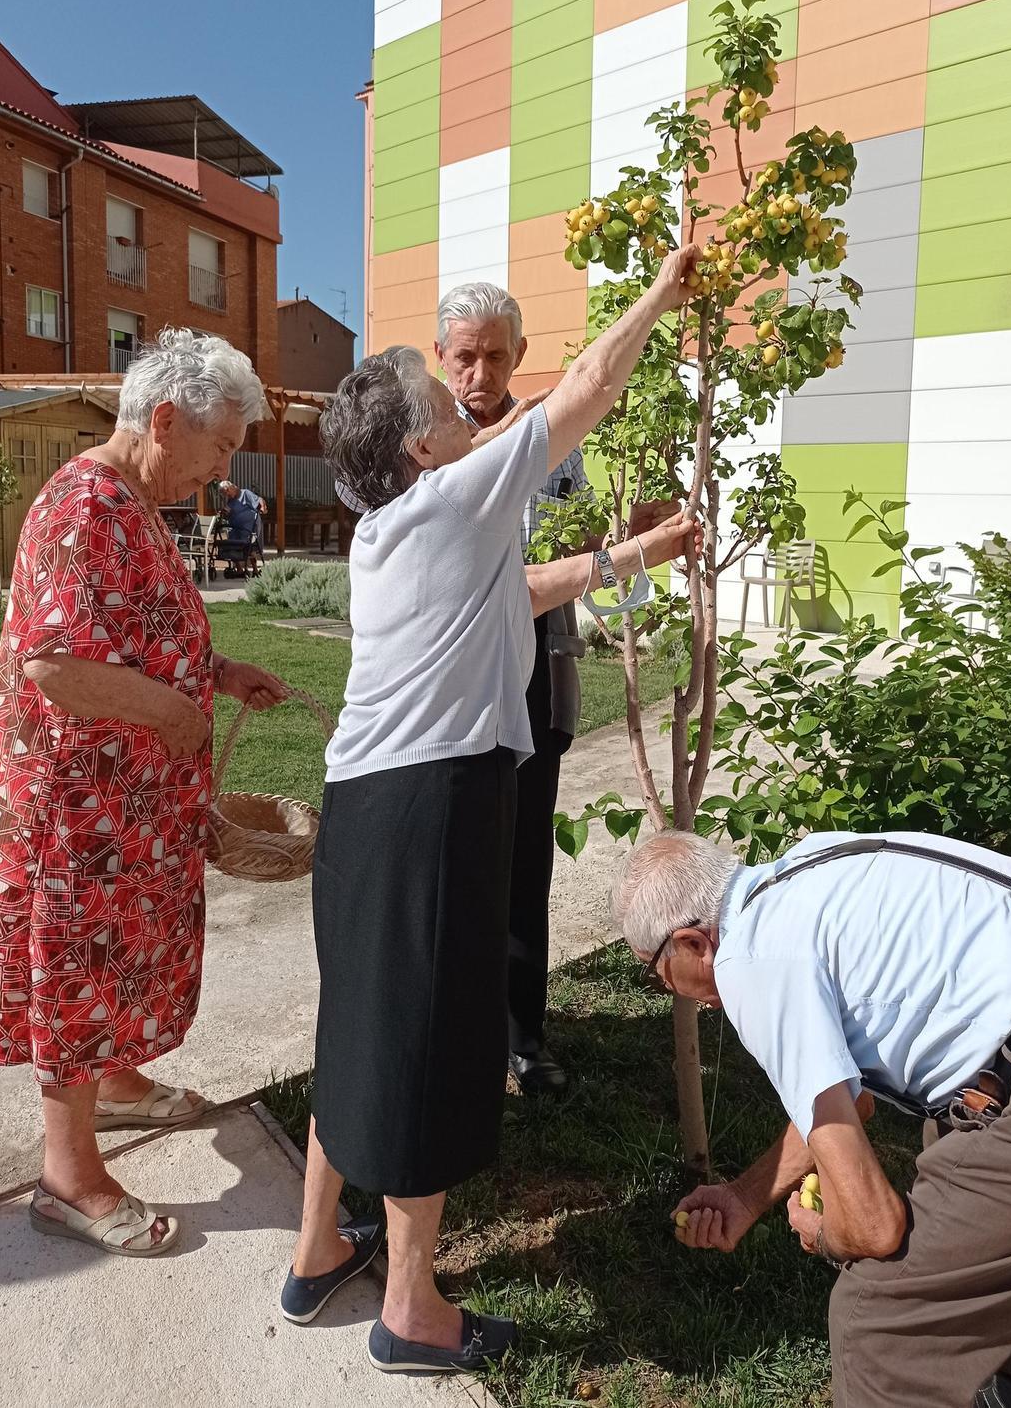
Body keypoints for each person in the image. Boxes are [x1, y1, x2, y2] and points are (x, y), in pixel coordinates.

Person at [281, 246, 702, 1374]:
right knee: (426, 1038)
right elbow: (588, 393)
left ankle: (318, 1245)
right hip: (434, 801)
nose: (470, 397)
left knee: (360, 1019)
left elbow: (517, 590)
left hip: (363, 803)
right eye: (445, 392)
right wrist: (664, 287)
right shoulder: (457, 492)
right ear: (421, 444)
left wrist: (628, 553)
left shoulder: (396, 529)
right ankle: (411, 1308)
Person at [0, 328, 289, 1256]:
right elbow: (56, 664)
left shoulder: (129, 502)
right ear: (164, 421)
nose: (218, 472)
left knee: (117, 952)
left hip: (114, 808)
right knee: (76, 973)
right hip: (67, 812)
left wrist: (217, 669)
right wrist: (173, 715)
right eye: (218, 448)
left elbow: (135, 624)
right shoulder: (83, 506)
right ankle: (67, 1176)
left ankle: (120, 1081)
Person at [613, 828, 1011, 1408]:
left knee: (876, 1323)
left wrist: (828, 1236)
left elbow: (874, 1226)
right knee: (958, 1165)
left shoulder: (752, 959)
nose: (667, 989)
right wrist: (746, 1197)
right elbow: (848, 1104)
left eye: (656, 972)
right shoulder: (807, 871)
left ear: (692, 943)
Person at [434, 281, 678, 1098]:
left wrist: (627, 540)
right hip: (457, 673)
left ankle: (523, 1038)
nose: (480, 373)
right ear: (442, 359)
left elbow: (575, 557)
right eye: (465, 357)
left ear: (520, 356)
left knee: (525, 860)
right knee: (457, 859)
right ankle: (459, 1033)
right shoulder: (424, 442)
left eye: (496, 356)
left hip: (538, 661)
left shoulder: (555, 445)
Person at [216, 477, 265, 578]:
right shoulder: (231, 501)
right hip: (236, 528)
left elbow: (259, 500)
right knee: (231, 540)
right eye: (225, 494)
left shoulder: (245, 493)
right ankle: (239, 569)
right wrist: (224, 513)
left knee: (248, 542)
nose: (227, 495)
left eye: (227, 492)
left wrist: (262, 507)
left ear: (232, 487)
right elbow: (228, 513)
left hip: (249, 527)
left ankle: (255, 569)